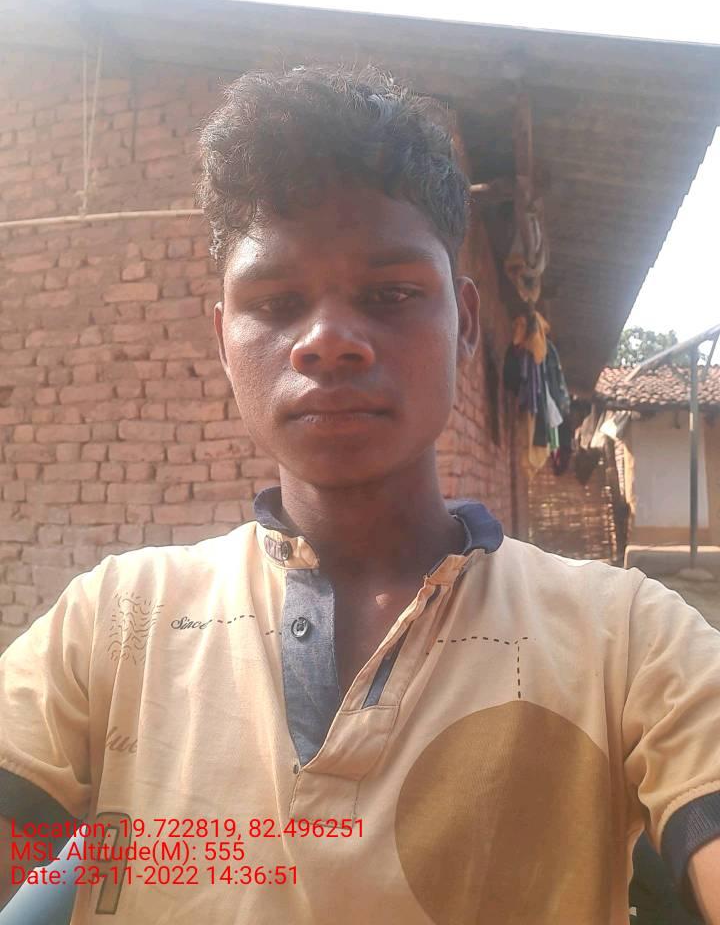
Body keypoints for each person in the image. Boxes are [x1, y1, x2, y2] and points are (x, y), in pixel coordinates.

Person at [1, 64, 720, 925]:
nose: (329, 341)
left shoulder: (628, 638)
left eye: (391, 295)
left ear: (467, 323)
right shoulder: (114, 622)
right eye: (276, 301)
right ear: (224, 339)